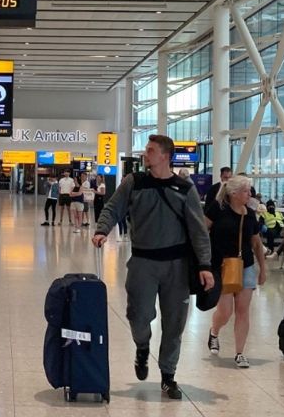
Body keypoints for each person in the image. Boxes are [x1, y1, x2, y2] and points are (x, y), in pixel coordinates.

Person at [93, 134, 214, 401]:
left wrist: (205, 265)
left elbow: (198, 230)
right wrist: (102, 230)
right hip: (143, 263)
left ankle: (168, 376)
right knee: (138, 315)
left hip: (177, 267)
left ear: (165, 157)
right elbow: (113, 207)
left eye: (150, 151)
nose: (145, 155)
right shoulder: (134, 182)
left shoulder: (185, 189)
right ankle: (142, 346)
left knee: (174, 325)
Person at [205, 174, 267, 368]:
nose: (250, 194)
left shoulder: (249, 214)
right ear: (234, 194)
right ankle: (214, 331)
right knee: (225, 311)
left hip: (245, 265)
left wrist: (262, 269)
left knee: (242, 310)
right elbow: (201, 232)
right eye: (246, 191)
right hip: (221, 265)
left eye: (250, 191)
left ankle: (240, 352)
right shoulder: (217, 210)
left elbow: (256, 244)